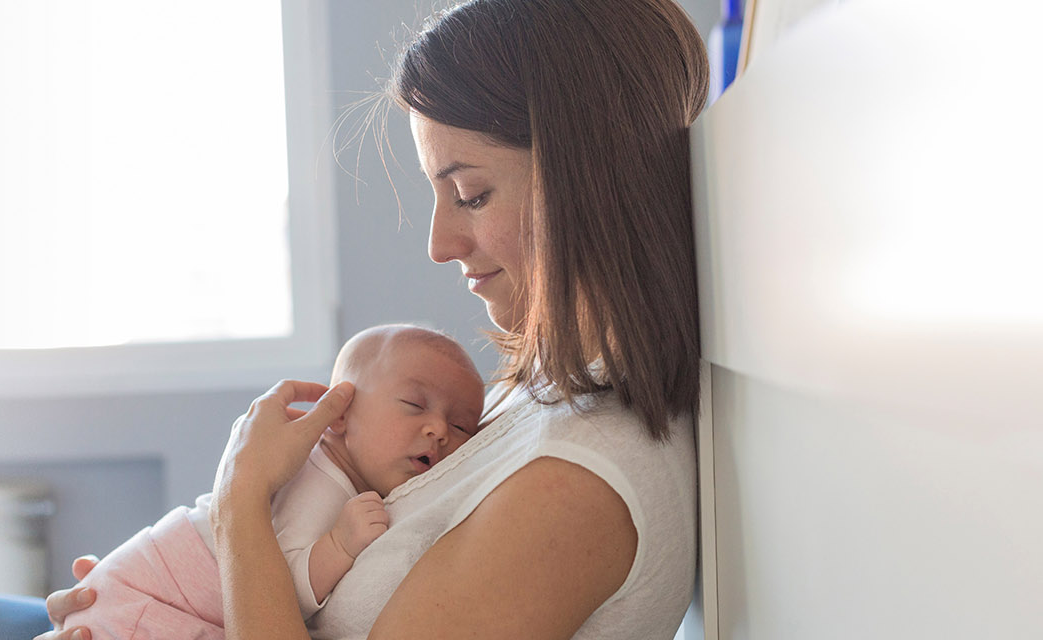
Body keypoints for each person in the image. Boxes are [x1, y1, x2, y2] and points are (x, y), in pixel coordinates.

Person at [42, 0, 709, 638]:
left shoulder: (575, 492)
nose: (439, 244)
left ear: (586, 180)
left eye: (471, 194)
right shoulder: (532, 394)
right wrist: (144, 599)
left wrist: (240, 510)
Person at [59, 325, 485, 639]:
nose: (439, 430)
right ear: (339, 414)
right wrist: (339, 545)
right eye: (415, 404)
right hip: (146, 601)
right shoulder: (322, 480)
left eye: (462, 425)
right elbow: (274, 591)